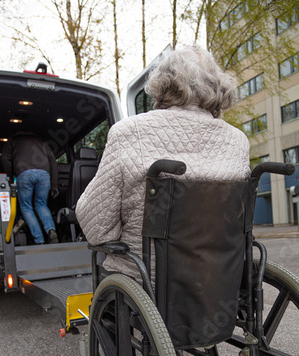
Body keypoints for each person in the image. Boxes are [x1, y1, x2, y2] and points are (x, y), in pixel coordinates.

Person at [76, 45, 251, 278]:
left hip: (150, 281)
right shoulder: (238, 141)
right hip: (220, 281)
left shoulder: (130, 132)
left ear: (163, 84)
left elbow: (98, 229)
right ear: (216, 85)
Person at [2, 131, 59, 244]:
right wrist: (54, 184)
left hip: (24, 173)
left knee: (26, 208)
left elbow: (5, 159)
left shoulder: (12, 140)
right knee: (41, 204)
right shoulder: (42, 142)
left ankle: (39, 240)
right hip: (44, 174)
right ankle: (51, 230)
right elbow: (53, 161)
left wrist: (10, 176)